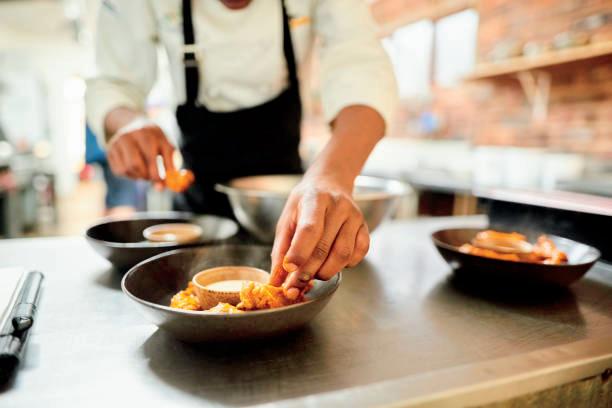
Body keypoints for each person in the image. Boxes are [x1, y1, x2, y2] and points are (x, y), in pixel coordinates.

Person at [86, 0, 397, 298]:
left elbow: (361, 68)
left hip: (283, 212)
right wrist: (127, 122)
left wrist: (332, 176)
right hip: (197, 219)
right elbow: (113, 82)